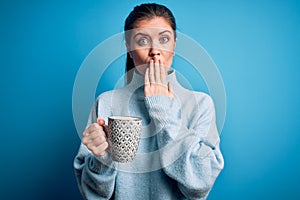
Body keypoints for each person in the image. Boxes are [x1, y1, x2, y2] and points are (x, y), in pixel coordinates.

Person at [74, 3, 224, 200]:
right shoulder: (106, 103)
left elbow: (199, 186)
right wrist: (103, 158)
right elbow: (93, 195)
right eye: (143, 40)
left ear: (175, 44)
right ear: (129, 47)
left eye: (164, 39)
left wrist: (161, 108)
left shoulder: (200, 104)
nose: (155, 50)